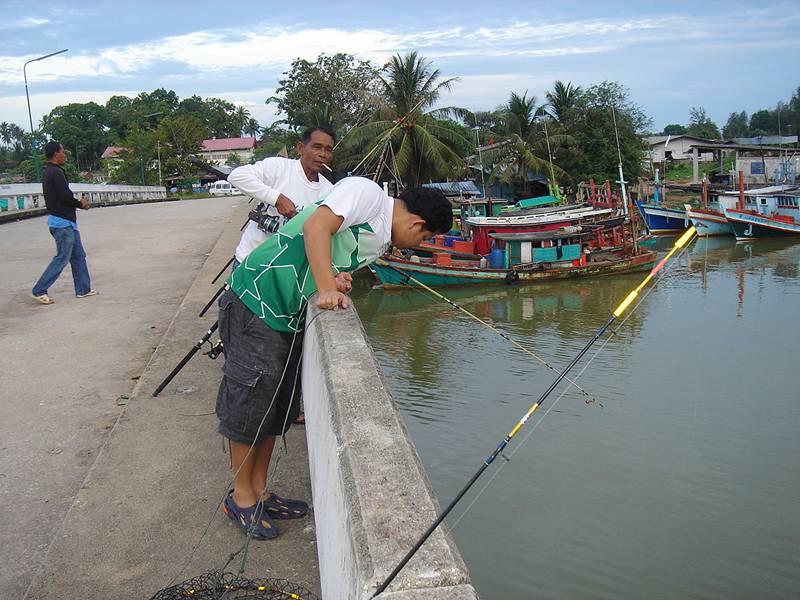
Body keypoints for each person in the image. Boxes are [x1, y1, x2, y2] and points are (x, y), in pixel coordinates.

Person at [216, 177, 453, 539]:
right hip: (256, 302)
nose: (420, 245)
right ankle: (241, 497)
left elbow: (325, 248)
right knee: (250, 405)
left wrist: (332, 278)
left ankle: (261, 490)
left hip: (283, 315)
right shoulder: (370, 195)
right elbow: (315, 226)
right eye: (426, 238)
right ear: (418, 224)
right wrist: (326, 288)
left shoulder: (380, 234)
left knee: (274, 408)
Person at [227, 126, 335, 268]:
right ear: (301, 148)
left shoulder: (329, 192)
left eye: (328, 149)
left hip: (287, 270)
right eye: (317, 147)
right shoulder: (278, 167)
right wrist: (277, 199)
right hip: (249, 262)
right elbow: (236, 176)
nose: (323, 154)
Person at [31, 141, 97, 304]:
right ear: (55, 153)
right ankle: (39, 289)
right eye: (62, 151)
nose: (64, 155)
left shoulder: (50, 171)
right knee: (62, 257)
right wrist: (80, 204)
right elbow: (64, 196)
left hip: (67, 223)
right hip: (61, 224)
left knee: (78, 256)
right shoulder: (55, 172)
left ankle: (83, 289)